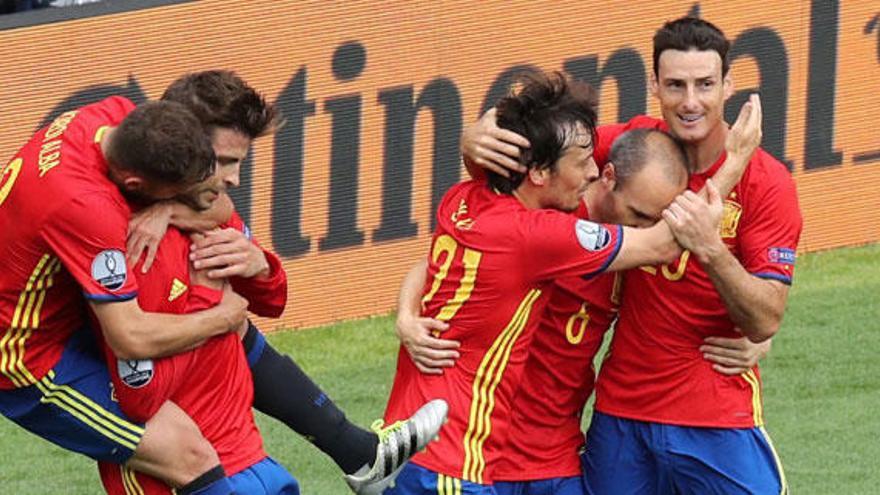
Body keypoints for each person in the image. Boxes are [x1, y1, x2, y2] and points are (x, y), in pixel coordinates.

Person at [461, 16, 800, 494]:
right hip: (620, 416)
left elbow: (765, 316)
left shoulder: (768, 184)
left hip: (717, 413)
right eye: (675, 85)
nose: (690, 101)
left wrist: (726, 275)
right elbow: (521, 160)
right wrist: (472, 143)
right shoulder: (628, 145)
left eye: (705, 84)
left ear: (729, 85)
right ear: (653, 85)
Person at [380, 71, 757, 494]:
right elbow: (665, 245)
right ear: (539, 173)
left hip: (518, 453)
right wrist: (733, 165)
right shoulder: (541, 233)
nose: (591, 172)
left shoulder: (464, 199)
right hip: (458, 453)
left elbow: (432, 263)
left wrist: (753, 331)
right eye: (582, 164)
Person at [121, 70, 447, 494]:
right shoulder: (124, 237)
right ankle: (358, 452)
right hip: (184, 468)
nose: (233, 179)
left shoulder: (205, 207)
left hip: (246, 454)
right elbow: (133, 358)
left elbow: (274, 299)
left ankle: (358, 452)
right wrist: (220, 315)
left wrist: (259, 266)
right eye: (223, 163)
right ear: (178, 144)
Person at [0, 97, 249, 495]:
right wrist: (224, 316)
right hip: (25, 358)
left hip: (65, 314)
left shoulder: (115, 115)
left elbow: (217, 207)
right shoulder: (87, 209)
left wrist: (167, 209)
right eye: (174, 194)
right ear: (135, 186)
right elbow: (130, 337)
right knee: (187, 454)